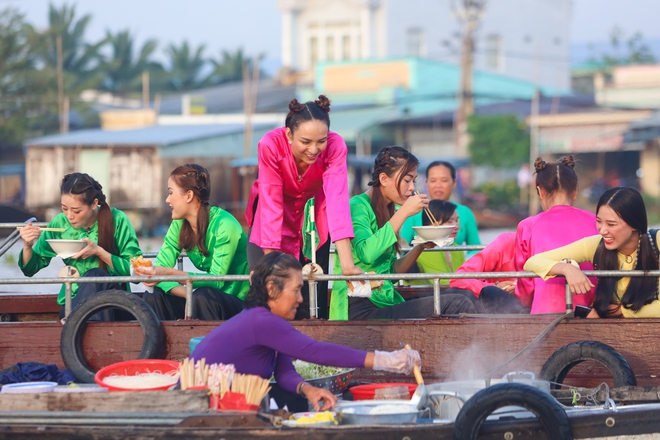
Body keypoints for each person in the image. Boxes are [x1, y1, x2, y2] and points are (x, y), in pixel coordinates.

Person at [190, 252, 422, 410]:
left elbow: (284, 373)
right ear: (272, 289)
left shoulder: (266, 322)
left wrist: (308, 389)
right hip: (200, 402)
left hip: (231, 402)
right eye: (297, 290)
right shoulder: (261, 321)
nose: (301, 299)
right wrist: (385, 360)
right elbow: (315, 351)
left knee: (297, 400)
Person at [245, 95, 364, 319]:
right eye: (305, 141)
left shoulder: (336, 146)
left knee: (312, 302)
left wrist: (347, 265)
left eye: (321, 141)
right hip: (270, 225)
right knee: (270, 296)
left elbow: (337, 200)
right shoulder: (270, 144)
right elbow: (270, 201)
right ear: (289, 135)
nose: (314, 149)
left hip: (313, 221)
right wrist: (272, 263)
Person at [329, 146, 476, 320]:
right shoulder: (357, 206)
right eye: (407, 180)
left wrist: (420, 246)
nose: (412, 188)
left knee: (465, 295)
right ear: (383, 179)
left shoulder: (389, 209)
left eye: (414, 180)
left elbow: (392, 271)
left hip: (384, 300)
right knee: (457, 303)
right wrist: (404, 212)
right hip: (358, 306)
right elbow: (366, 254)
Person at [18, 172, 142, 320]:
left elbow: (137, 273)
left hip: (115, 303)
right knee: (89, 288)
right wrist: (27, 245)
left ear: (94, 204)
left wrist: (100, 253)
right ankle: (77, 324)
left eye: (76, 211)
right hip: (73, 302)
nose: (69, 216)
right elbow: (30, 269)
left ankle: (74, 325)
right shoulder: (60, 223)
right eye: (64, 209)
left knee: (96, 275)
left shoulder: (117, 220)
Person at [524, 187, 660, 318]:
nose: (602, 230)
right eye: (599, 222)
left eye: (611, 224)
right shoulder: (596, 244)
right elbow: (532, 262)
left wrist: (620, 311)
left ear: (634, 224)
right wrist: (566, 268)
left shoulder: (657, 242)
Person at [136, 164, 248, 321]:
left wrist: (168, 274)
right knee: (154, 295)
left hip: (236, 303)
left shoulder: (225, 225)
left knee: (203, 296)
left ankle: (206, 345)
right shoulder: (179, 224)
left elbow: (217, 282)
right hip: (200, 299)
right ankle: (165, 344)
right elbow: (159, 270)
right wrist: (187, 292)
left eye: (170, 193)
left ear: (188, 196)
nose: (167, 200)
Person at [515, 156, 598, 314]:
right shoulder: (598, 222)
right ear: (575, 191)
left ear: (540, 192)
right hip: (592, 314)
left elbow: (525, 288)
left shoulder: (527, 226)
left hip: (544, 315)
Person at [400, 161, 481, 256]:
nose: (438, 185)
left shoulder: (464, 212)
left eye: (444, 180)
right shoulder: (414, 212)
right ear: (426, 183)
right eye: (433, 181)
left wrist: (464, 266)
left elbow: (475, 248)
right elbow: (402, 248)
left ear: (454, 182)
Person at [449, 233, 529, 314]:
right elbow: (459, 277)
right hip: (497, 308)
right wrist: (495, 287)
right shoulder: (507, 243)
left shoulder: (540, 253)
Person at [408, 199, 464, 286]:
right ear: (432, 224)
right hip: (422, 296)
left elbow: (464, 276)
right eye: (450, 221)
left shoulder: (455, 246)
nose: (456, 226)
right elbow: (442, 282)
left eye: (457, 221)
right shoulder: (427, 247)